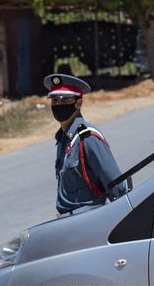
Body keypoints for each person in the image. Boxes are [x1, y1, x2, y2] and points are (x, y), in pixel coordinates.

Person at [46, 73, 127, 215]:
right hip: (69, 220)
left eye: (65, 101)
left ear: (78, 102)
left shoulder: (88, 138)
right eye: (55, 101)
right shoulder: (64, 139)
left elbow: (117, 185)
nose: (59, 105)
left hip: (87, 218)